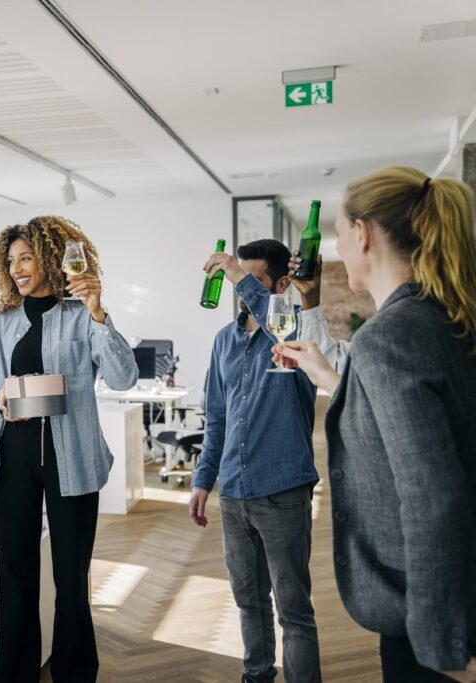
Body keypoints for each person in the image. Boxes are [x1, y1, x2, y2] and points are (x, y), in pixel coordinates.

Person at [276, 167, 476, 683]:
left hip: (425, 601)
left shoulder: (389, 336)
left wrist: (438, 637)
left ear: (362, 234)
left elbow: (431, 490)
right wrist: (327, 376)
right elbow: (414, 431)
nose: (337, 246)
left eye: (340, 232)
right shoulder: (445, 315)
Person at [0, 216, 137, 683]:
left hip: (73, 462)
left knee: (71, 578)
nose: (18, 268)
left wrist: (100, 311)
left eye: (26, 258)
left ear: (49, 258)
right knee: (16, 576)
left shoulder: (83, 315)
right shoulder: (1, 321)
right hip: (15, 461)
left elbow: (124, 378)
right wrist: (0, 400)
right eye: (11, 261)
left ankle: (76, 673)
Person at [189, 238, 322, 683]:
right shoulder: (223, 341)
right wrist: (202, 479)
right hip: (234, 494)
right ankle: (256, 676)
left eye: (250, 281)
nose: (238, 291)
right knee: (248, 601)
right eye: (236, 280)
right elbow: (218, 417)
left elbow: (279, 321)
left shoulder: (297, 333)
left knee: (294, 611)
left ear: (281, 284)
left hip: (283, 492)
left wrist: (238, 275)